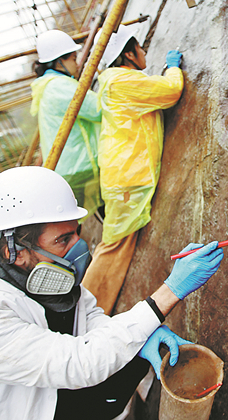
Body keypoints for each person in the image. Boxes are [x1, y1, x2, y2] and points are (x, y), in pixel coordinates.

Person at [0, 166, 223, 420]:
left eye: (76, 231)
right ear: (15, 251)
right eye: (63, 240)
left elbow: (89, 318)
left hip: (43, 396)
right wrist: (169, 292)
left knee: (134, 350)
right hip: (11, 408)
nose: (79, 248)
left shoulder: (41, 276)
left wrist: (143, 337)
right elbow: (78, 365)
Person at [81, 27, 185, 314]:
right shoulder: (121, 82)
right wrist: (172, 69)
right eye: (139, 47)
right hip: (127, 178)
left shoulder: (115, 80)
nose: (144, 52)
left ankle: (90, 310)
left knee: (116, 243)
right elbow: (170, 91)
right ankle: (88, 314)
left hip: (124, 174)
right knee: (114, 246)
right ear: (128, 54)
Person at [30, 30, 102, 219]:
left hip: (70, 167)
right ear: (58, 62)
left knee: (80, 217)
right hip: (79, 166)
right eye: (73, 58)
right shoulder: (59, 87)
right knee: (101, 211)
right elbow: (98, 110)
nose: (77, 63)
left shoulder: (48, 85)